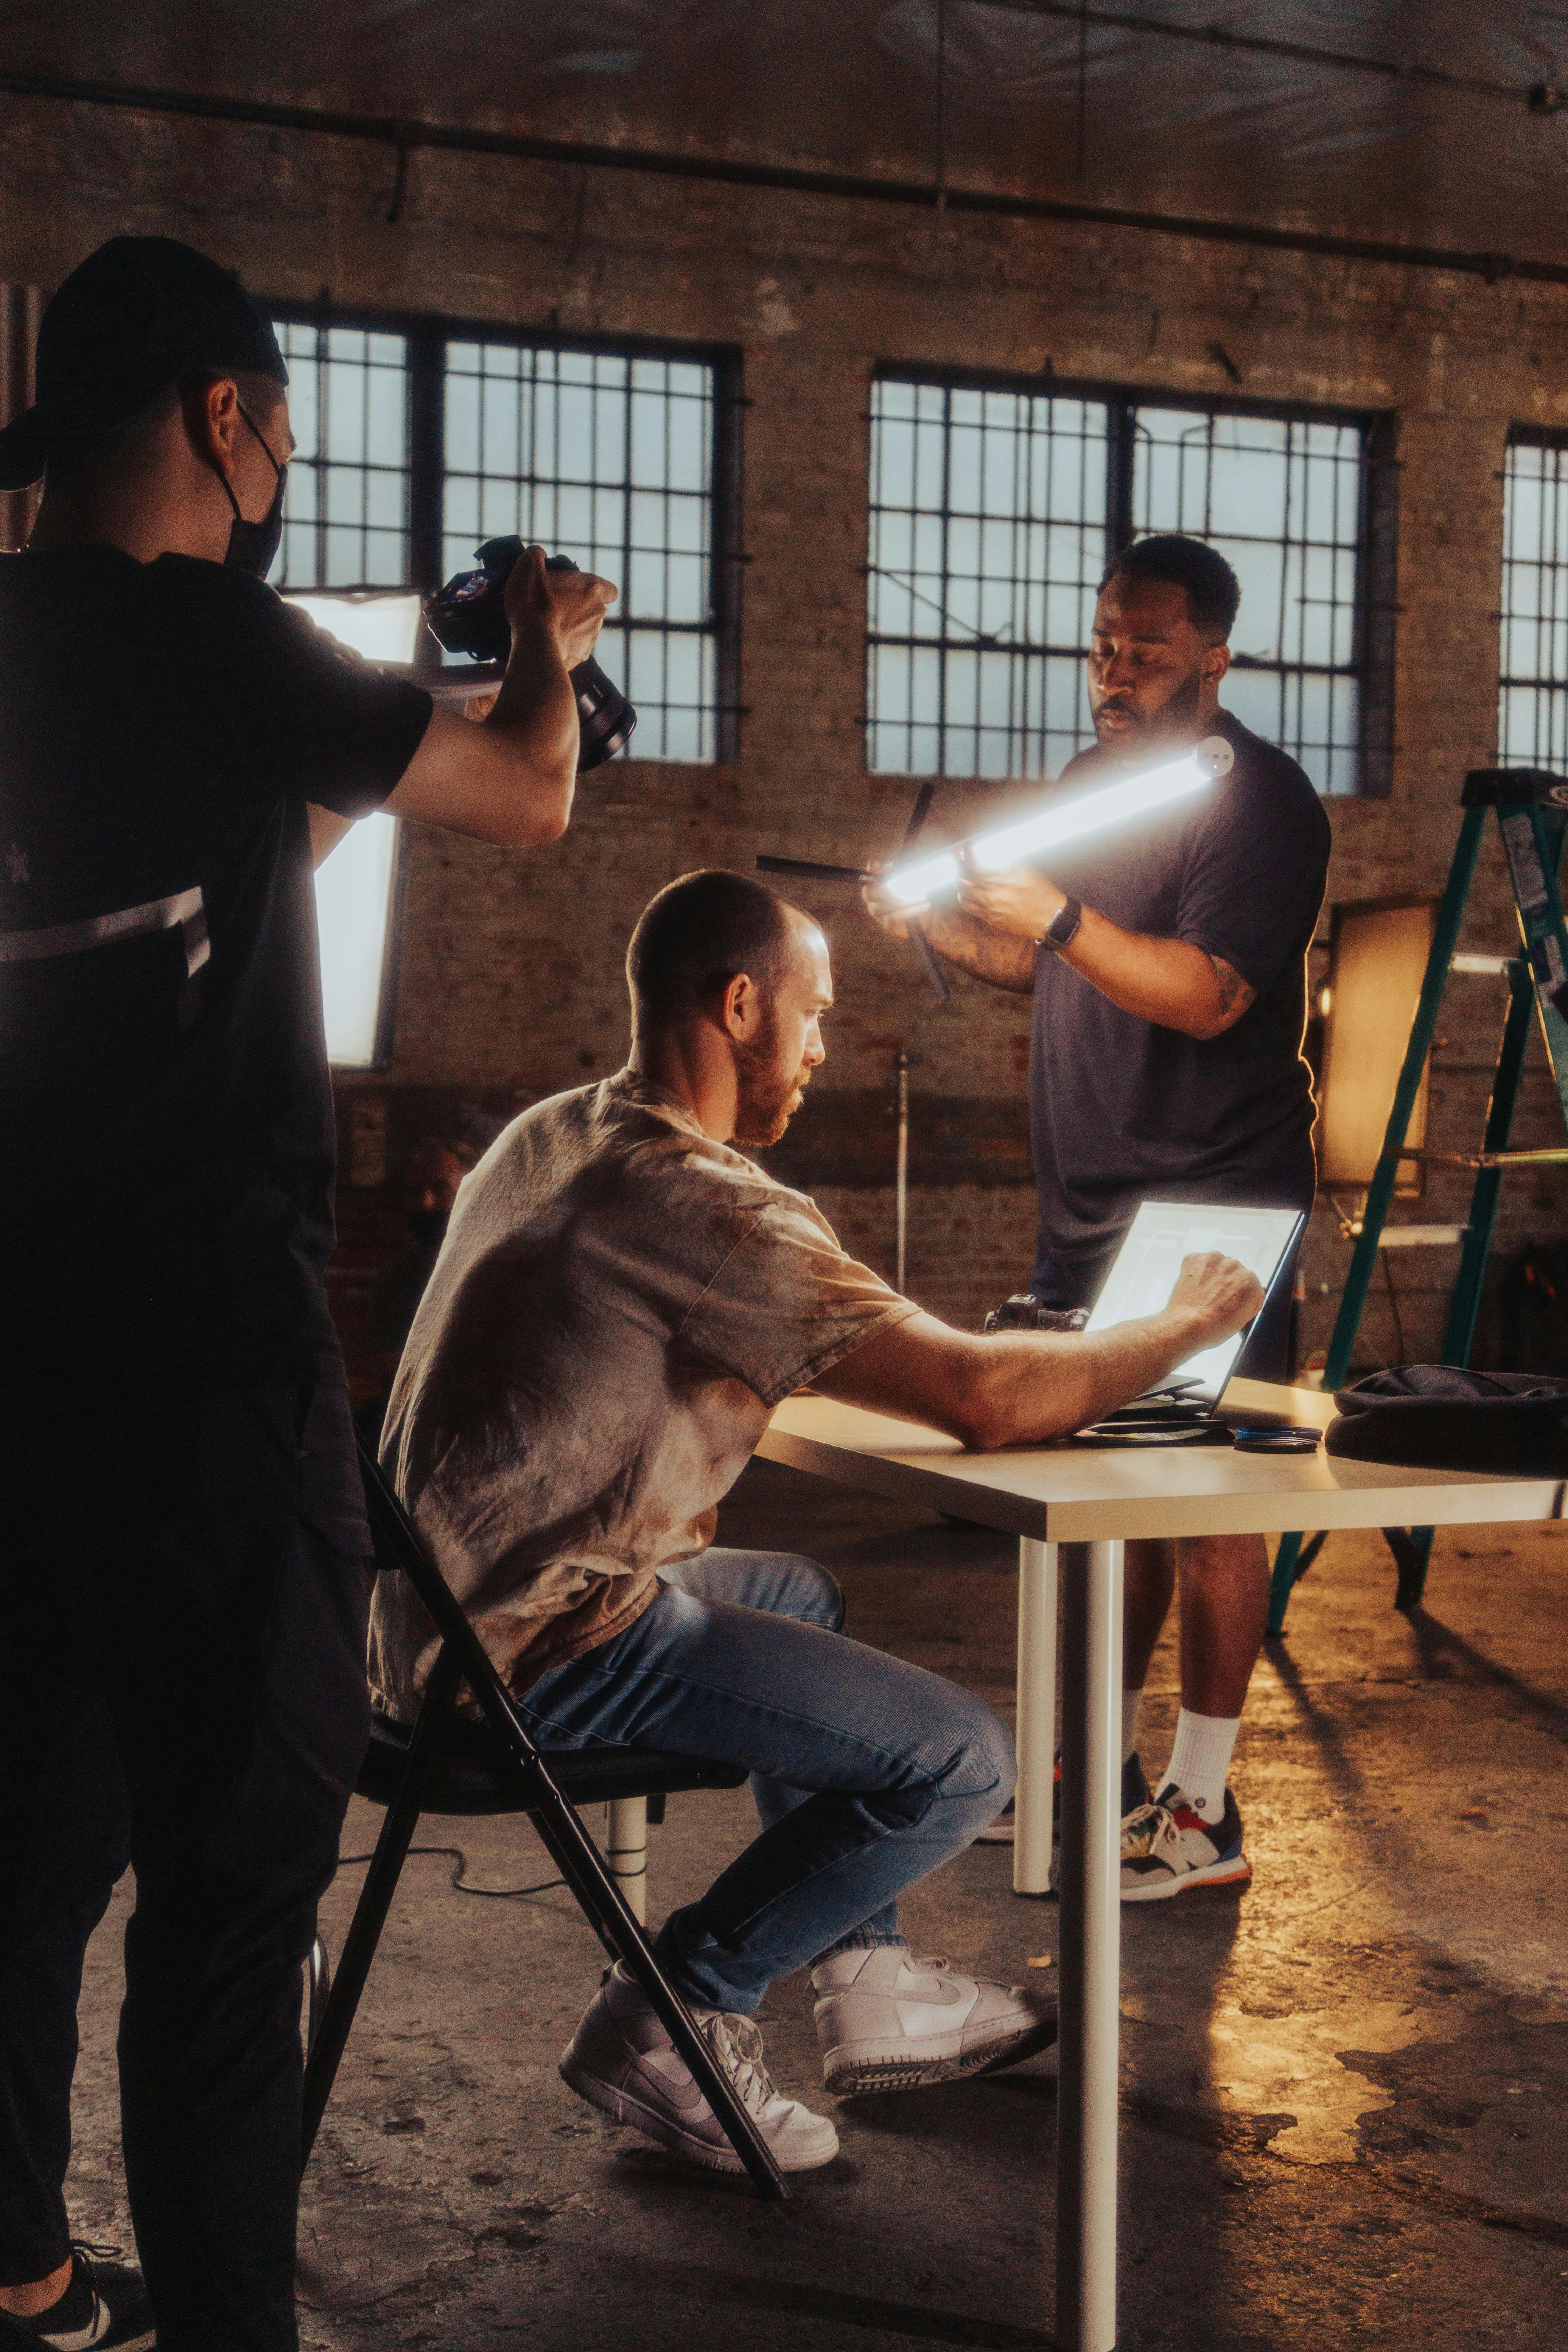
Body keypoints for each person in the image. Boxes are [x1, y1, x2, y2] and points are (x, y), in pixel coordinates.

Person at [0, 237, 615, 2352]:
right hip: (206, 1374)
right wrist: (541, 641)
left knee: (25, 1842)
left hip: (20, 1357)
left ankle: (13, 2271)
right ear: (223, 420)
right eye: (280, 427)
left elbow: (194, 863)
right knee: (237, 1888)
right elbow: (529, 791)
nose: (281, 464)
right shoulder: (214, 631)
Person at [368, 868, 1263, 2176]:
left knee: (794, 1590)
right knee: (963, 1760)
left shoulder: (553, 1132)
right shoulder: (708, 1203)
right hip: (536, 1649)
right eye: (817, 1012)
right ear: (742, 1006)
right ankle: (677, 2010)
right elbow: (982, 1396)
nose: (826, 1047)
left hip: (415, 1625)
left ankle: (871, 1987)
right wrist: (1183, 1324)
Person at [868, 532, 1332, 1904]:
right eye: (1103, 644)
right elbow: (1056, 965)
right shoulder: (1087, 791)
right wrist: (952, 929)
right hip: (1089, 1206)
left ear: (1213, 655)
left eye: (1146, 648)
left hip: (1215, 1195)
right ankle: (1095, 1775)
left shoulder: (1255, 802)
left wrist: (1060, 919)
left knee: (1213, 1502)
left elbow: (1204, 993)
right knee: (1119, 1496)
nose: (1116, 671)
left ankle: (1199, 1810)